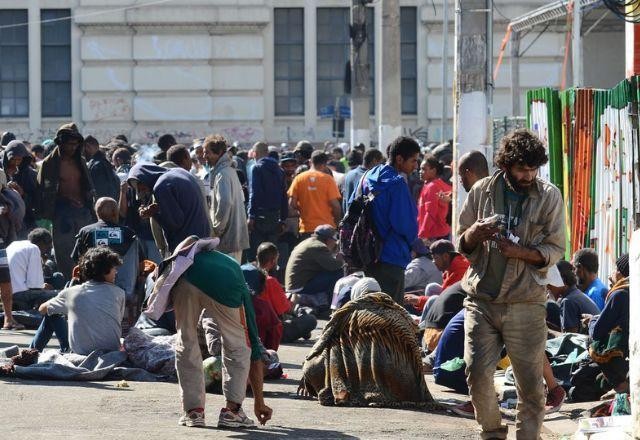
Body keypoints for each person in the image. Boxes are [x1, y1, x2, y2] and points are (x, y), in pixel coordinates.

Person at [456, 129, 565, 438]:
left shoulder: (549, 196)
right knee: (477, 376)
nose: (528, 175)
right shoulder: (481, 191)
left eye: (533, 169)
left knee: (530, 386)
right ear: (506, 166)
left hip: (526, 301)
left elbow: (556, 249)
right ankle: (492, 432)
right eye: (522, 169)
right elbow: (460, 240)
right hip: (482, 300)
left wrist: (522, 253)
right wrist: (475, 233)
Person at [154, 237, 272, 429]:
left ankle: (193, 413)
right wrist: (259, 401)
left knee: (186, 341)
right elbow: (253, 346)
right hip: (224, 283)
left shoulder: (186, 262)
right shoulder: (233, 270)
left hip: (183, 279)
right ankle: (232, 412)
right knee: (239, 345)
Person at [299, 279, 438, 408]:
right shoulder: (401, 315)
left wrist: (308, 375)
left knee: (331, 353)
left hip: (365, 389)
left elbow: (322, 348)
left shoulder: (347, 315)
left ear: (357, 294)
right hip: (407, 390)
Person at [354, 136, 419, 304]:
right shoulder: (397, 184)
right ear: (399, 159)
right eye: (413, 160)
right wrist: (414, 244)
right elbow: (406, 225)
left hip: (367, 254)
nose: (416, 166)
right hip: (392, 256)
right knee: (390, 316)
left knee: (371, 311)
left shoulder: (367, 176)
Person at [31, 247, 125, 354]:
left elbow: (42, 309)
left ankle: (32, 352)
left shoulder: (71, 293)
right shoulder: (119, 293)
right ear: (105, 270)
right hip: (111, 352)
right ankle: (32, 352)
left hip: (80, 353)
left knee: (51, 313)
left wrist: (68, 309)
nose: (116, 272)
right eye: (114, 268)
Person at [36, 123, 95, 280]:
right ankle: (69, 284)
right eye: (70, 144)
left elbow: (88, 185)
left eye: (76, 144)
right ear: (61, 143)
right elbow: (44, 192)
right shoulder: (49, 164)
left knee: (87, 252)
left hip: (83, 213)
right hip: (62, 215)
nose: (73, 148)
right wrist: (65, 199)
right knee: (65, 255)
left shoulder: (80, 161)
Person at [127, 163, 209, 256]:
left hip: (186, 245)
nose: (143, 191)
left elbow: (174, 223)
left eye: (141, 188)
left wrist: (154, 214)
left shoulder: (161, 187)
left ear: (144, 179)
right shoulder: (179, 171)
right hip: (202, 236)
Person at [71, 197, 140, 299]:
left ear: (97, 212)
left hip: (91, 289)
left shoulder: (85, 232)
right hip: (124, 291)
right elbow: (139, 262)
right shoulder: (129, 234)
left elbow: (76, 258)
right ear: (116, 213)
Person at [584, 254, 630, 396]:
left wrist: (591, 321)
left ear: (622, 273)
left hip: (623, 352)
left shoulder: (620, 294)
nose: (612, 273)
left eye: (615, 268)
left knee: (593, 342)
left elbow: (597, 331)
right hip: (628, 352)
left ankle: (620, 384)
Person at [254, 242, 316, 343]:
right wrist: (294, 299)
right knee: (311, 319)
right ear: (273, 261)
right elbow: (287, 309)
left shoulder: (248, 273)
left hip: (252, 325)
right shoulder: (270, 281)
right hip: (268, 330)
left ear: (257, 257)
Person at [204, 135, 249, 263]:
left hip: (227, 239)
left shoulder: (222, 174)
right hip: (234, 237)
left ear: (218, 153)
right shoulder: (228, 171)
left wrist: (217, 230)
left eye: (207, 152)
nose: (204, 156)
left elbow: (225, 202)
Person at [246, 142, 288, 262]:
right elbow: (283, 195)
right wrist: (283, 219)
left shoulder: (256, 168)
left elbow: (254, 193)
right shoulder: (279, 170)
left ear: (255, 153)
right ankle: (271, 278)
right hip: (275, 217)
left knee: (257, 254)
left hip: (259, 216)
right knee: (271, 254)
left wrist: (251, 215)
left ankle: (259, 279)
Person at [284, 225, 343, 307]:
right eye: (334, 240)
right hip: (300, 288)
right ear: (329, 239)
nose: (335, 243)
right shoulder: (319, 247)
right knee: (339, 272)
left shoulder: (308, 242)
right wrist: (341, 259)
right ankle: (332, 304)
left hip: (294, 285)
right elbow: (334, 266)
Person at [288, 150, 341, 238]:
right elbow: (336, 206)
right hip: (326, 229)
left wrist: (303, 209)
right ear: (324, 164)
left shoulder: (299, 178)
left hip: (306, 229)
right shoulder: (328, 179)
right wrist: (337, 222)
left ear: (310, 161)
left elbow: (291, 204)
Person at [7, 228, 57, 314]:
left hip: (6, 293)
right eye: (48, 247)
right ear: (41, 243)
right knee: (58, 295)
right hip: (19, 295)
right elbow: (35, 286)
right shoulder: (34, 248)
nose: (46, 251)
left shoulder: (13, 245)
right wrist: (44, 287)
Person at [547, 260, 599, 333]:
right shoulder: (575, 294)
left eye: (549, 282)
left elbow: (569, 339)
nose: (547, 287)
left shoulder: (568, 301)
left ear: (562, 280)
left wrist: (547, 331)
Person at [3, 140, 38, 233]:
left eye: (19, 159)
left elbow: (36, 199)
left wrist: (21, 193)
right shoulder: (1, 171)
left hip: (24, 219)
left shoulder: (29, 174)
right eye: (13, 159)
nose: (16, 163)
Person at [417, 154, 452, 242]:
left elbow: (430, 213)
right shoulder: (436, 184)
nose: (420, 171)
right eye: (420, 169)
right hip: (442, 232)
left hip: (434, 235)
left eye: (424, 169)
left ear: (434, 170)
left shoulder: (432, 187)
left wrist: (422, 234)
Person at [342, 148, 384, 213]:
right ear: (374, 161)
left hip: (349, 219)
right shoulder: (369, 178)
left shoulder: (348, 174)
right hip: (360, 220)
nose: (381, 167)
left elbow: (344, 201)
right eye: (380, 163)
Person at [84, 135, 120, 201]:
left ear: (88, 146)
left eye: (84, 149)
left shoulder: (97, 166)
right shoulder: (104, 162)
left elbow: (100, 190)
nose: (83, 153)